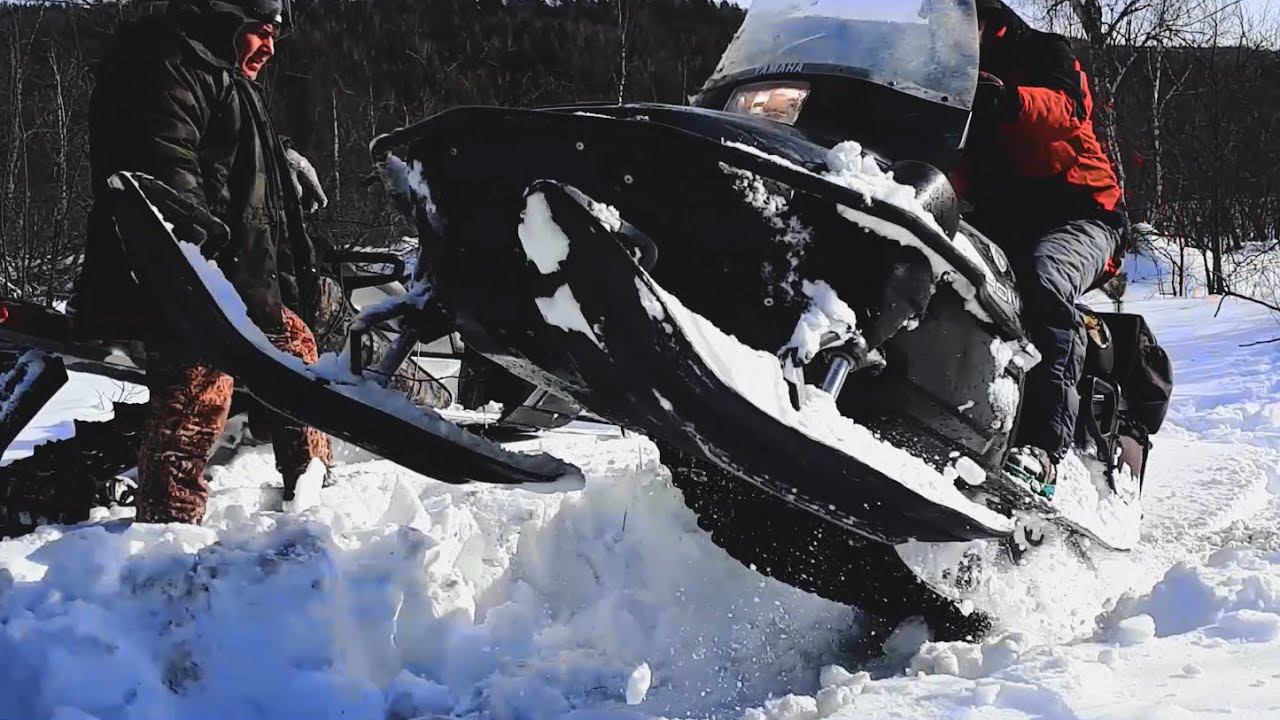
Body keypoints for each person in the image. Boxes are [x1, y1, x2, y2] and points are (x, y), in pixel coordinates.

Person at [72, 0, 334, 524]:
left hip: (232, 283)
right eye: (261, 32)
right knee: (197, 395)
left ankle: (312, 496)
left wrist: (281, 159)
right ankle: (168, 532)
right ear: (224, 19)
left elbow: (223, 153)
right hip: (179, 280)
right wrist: (197, 255)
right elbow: (164, 160)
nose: (270, 48)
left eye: (275, 36)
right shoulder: (166, 61)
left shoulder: (218, 73)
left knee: (299, 357)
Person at [951, 0, 1127, 487]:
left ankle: (1043, 451)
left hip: (1082, 214)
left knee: (1043, 275)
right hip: (1000, 221)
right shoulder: (944, 71)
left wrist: (1009, 99)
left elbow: (1067, 109)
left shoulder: (1044, 52)